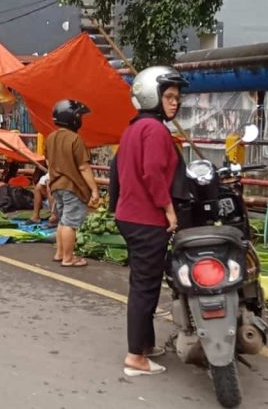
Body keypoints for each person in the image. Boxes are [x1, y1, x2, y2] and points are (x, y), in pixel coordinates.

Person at [111, 66, 187, 377]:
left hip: (129, 217)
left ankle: (145, 345)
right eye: (169, 97)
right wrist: (168, 209)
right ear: (151, 96)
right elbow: (153, 173)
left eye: (177, 98)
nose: (175, 103)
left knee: (145, 284)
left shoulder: (132, 129)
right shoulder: (155, 131)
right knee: (145, 288)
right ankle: (135, 358)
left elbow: (117, 173)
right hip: (146, 219)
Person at [45, 100, 99, 266]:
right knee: (70, 223)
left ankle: (60, 253)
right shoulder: (75, 139)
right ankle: (68, 258)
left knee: (63, 220)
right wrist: (94, 190)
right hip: (72, 187)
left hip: (55, 186)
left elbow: (48, 161)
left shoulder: (50, 137)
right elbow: (83, 167)